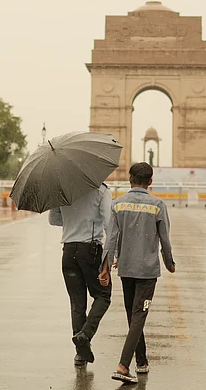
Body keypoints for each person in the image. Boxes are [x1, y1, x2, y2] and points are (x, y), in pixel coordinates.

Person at [100, 162, 175, 384]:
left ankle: (141, 361)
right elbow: (165, 240)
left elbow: (111, 239)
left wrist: (104, 267)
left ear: (130, 179)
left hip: (125, 268)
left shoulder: (118, 204)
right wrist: (169, 262)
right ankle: (123, 365)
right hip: (147, 270)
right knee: (139, 316)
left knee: (133, 316)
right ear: (150, 181)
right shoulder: (158, 205)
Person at [49, 184, 112, 366]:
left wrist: (73, 219)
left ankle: (80, 354)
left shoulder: (62, 188)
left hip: (68, 251)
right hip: (90, 250)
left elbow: (53, 219)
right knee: (103, 295)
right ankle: (85, 335)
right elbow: (109, 223)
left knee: (77, 303)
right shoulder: (101, 191)